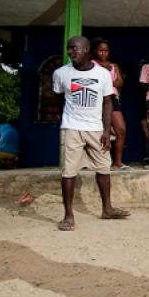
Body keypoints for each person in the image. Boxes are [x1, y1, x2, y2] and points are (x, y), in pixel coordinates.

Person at [53, 36, 130, 231]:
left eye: (74, 49)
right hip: (72, 127)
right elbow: (57, 97)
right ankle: (68, 216)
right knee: (69, 171)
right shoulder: (61, 73)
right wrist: (63, 119)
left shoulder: (103, 74)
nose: (70, 52)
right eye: (68, 49)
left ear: (87, 49)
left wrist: (106, 130)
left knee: (104, 167)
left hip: (96, 129)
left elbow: (107, 102)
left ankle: (107, 209)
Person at [91, 37, 129, 169]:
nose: (103, 53)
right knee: (96, 132)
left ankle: (117, 162)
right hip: (96, 98)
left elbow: (120, 83)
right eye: (100, 50)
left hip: (112, 98)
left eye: (106, 51)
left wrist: (105, 81)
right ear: (95, 51)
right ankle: (95, 162)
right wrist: (108, 80)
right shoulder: (91, 64)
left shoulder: (113, 66)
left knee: (121, 129)